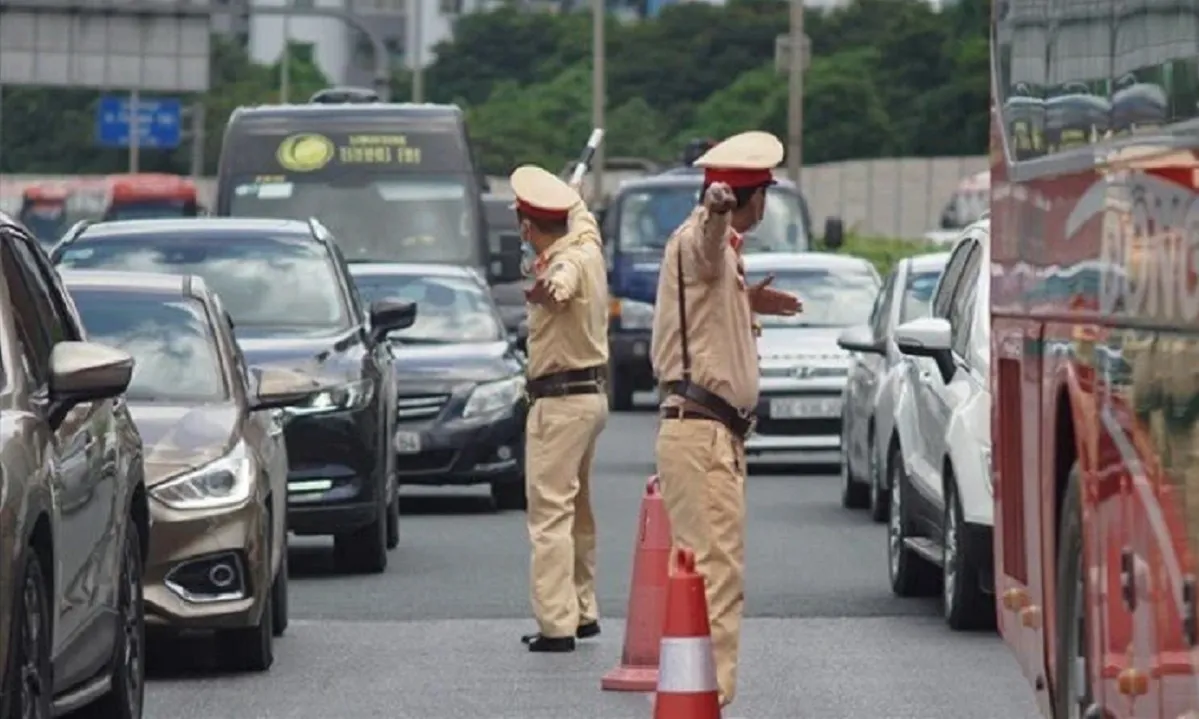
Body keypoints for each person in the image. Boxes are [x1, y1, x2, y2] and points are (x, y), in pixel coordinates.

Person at [649, 131, 802, 706]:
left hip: (709, 435)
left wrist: (751, 301)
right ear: (750, 196)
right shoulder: (702, 237)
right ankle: (708, 700)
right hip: (702, 434)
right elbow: (705, 247)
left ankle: (698, 697)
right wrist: (715, 211)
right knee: (715, 575)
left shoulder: (724, 256)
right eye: (763, 193)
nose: (766, 205)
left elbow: (709, 283)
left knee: (702, 570)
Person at [510, 164, 610, 653]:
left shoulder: (563, 263)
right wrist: (572, 197)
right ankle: (583, 608)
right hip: (591, 398)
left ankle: (556, 624)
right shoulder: (587, 243)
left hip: (560, 401)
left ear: (529, 227)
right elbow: (584, 219)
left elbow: (560, 283)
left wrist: (550, 287)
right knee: (578, 511)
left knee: (549, 514)